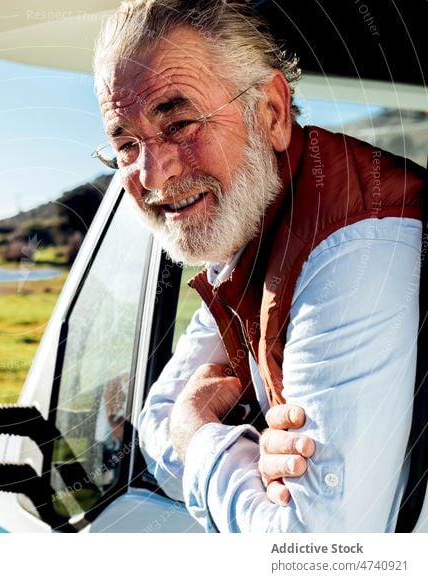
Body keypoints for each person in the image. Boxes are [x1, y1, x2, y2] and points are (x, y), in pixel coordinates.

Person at [91, 0, 425, 532]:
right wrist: (240, 455)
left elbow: (322, 552)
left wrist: (201, 434)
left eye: (178, 122)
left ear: (269, 111)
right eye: (127, 145)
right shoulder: (252, 228)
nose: (152, 175)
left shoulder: (354, 243)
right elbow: (158, 421)